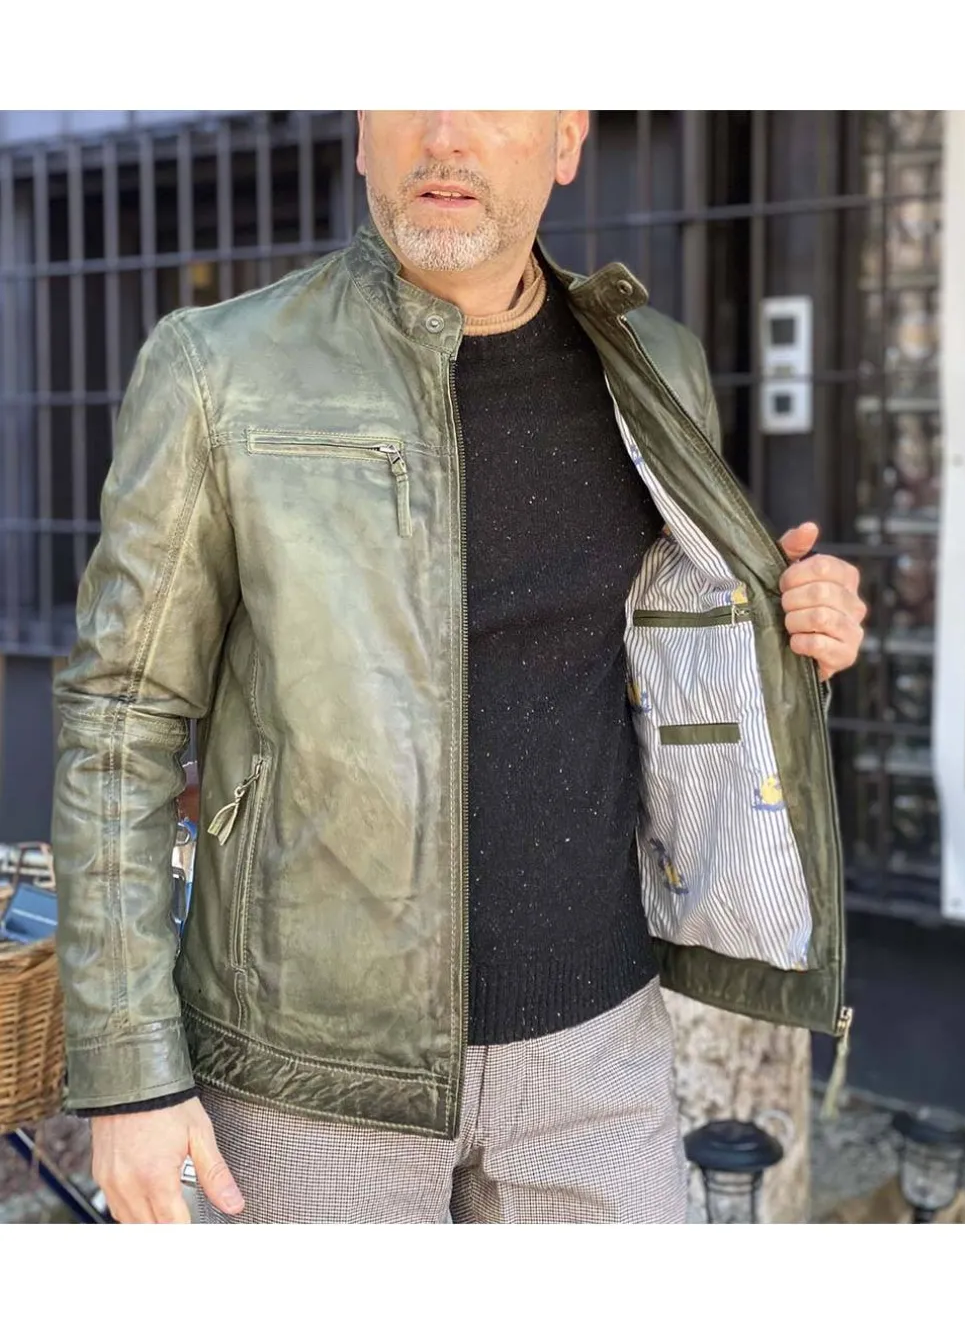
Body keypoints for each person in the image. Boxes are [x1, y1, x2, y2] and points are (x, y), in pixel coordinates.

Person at [52, 111, 866, 1224]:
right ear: (360, 133)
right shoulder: (221, 370)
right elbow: (121, 714)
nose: (443, 133)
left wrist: (792, 630)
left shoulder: (656, 365)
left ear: (567, 140)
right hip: (312, 1075)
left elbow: (672, 655)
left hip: (600, 1052)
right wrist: (131, 1071)